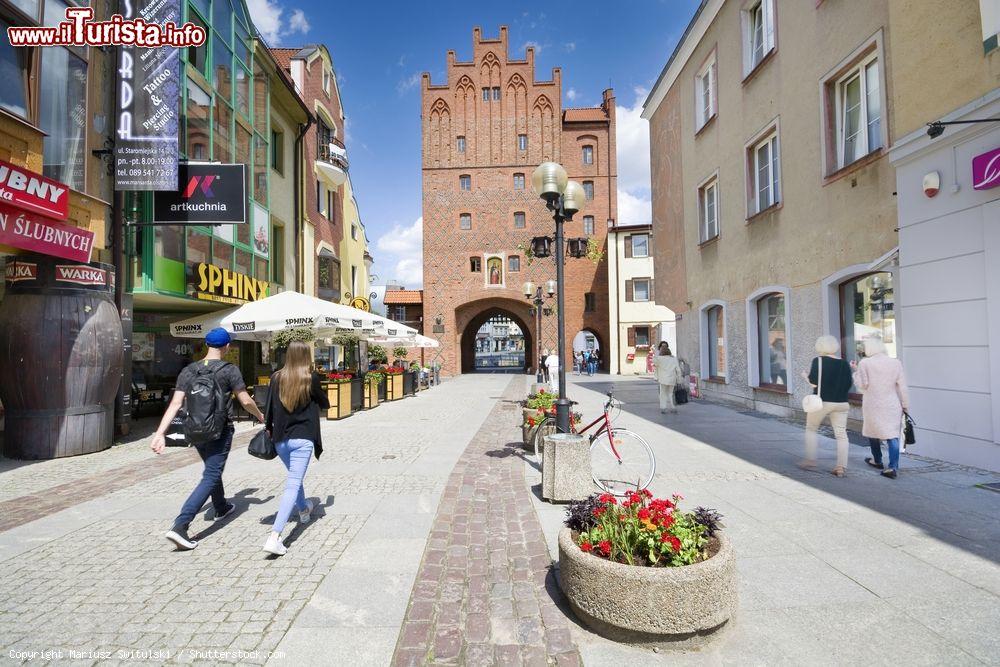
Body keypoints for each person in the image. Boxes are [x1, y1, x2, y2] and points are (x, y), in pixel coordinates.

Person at [152, 328, 265, 550]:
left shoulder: (189, 370)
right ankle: (180, 526)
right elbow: (244, 400)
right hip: (220, 430)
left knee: (212, 468)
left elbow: (175, 404)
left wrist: (159, 432)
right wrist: (260, 415)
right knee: (212, 473)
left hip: (194, 430)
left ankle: (221, 506)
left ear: (207, 345)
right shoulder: (229, 370)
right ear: (226, 347)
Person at [263, 340, 330, 555]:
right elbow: (325, 403)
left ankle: (303, 510)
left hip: (281, 439)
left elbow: (268, 410)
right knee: (293, 483)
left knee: (295, 478)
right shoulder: (310, 378)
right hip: (303, 439)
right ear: (306, 356)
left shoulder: (276, 378)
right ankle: (275, 535)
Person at [852, 337, 910, 479]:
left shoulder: (865, 363)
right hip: (891, 404)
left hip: (873, 404)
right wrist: (905, 405)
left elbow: (862, 385)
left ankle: (877, 460)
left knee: (873, 431)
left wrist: (855, 371)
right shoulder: (896, 363)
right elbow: (902, 387)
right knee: (892, 435)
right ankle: (892, 467)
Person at [800, 335, 854, 477]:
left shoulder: (818, 361)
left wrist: (805, 375)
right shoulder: (844, 363)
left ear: (820, 347)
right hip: (842, 403)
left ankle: (810, 460)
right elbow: (849, 384)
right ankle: (841, 467)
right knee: (841, 435)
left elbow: (813, 383)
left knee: (811, 429)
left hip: (822, 402)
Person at [654, 342, 685, 414]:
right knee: (670, 393)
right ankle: (673, 407)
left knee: (663, 394)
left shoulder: (659, 359)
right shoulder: (674, 359)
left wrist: (655, 353)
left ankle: (663, 408)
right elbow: (678, 370)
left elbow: (654, 362)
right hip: (672, 379)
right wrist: (679, 379)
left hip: (663, 379)